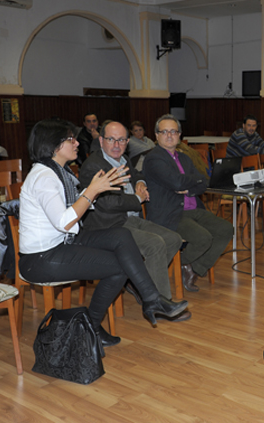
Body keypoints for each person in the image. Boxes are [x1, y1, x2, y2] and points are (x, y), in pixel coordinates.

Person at [19, 119, 188, 349]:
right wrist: (92, 192)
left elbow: (73, 211)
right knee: (120, 267)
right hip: (41, 257)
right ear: (54, 145)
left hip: (64, 242)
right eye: (71, 139)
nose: (77, 143)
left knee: (121, 235)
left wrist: (94, 192)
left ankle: (151, 299)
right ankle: (94, 326)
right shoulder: (44, 177)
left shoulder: (59, 172)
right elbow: (64, 222)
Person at [79, 121, 192, 322]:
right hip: (109, 225)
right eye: (111, 139)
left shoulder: (123, 160)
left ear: (127, 142)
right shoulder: (93, 166)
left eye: (122, 140)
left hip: (130, 218)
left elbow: (137, 174)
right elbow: (107, 203)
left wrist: (140, 182)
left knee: (173, 239)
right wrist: (137, 199)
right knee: (155, 244)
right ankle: (160, 304)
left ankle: (137, 281)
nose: (117, 145)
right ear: (101, 141)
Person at [143, 114, 233, 290]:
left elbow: (204, 182)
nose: (169, 135)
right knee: (203, 238)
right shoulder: (154, 158)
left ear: (179, 135)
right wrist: (192, 181)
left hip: (193, 209)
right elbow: (177, 182)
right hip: (170, 214)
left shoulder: (184, 158)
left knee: (226, 229)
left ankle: (191, 266)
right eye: (164, 132)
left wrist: (190, 187)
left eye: (173, 131)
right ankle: (182, 265)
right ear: (156, 135)